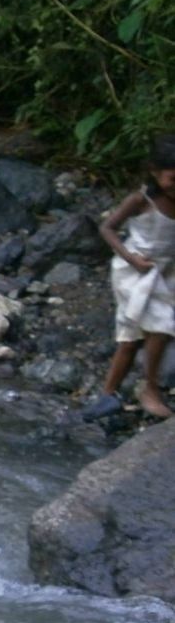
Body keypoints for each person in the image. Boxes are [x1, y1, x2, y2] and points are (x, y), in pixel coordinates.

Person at [88, 134, 175, 419]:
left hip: (165, 272)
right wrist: (131, 258)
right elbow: (107, 228)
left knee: (132, 337)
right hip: (134, 271)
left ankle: (108, 393)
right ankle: (149, 389)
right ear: (154, 172)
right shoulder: (142, 199)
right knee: (158, 326)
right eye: (172, 179)